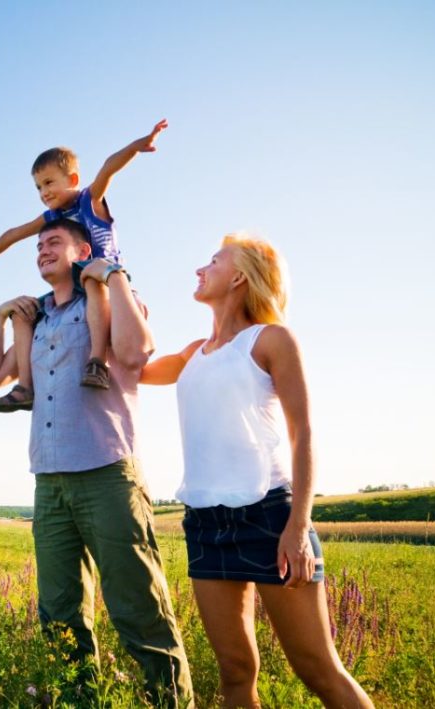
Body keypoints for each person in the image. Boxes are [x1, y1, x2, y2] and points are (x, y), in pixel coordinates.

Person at [131, 234, 374, 708]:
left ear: (239, 276)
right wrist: (121, 299)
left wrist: (298, 527)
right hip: (204, 523)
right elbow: (132, 368)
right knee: (235, 673)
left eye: (214, 261)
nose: (200, 269)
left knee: (319, 670)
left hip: (269, 517)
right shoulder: (192, 353)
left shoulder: (272, 340)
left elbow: (303, 434)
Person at [0, 219, 193, 706]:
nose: (41, 251)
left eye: (53, 242)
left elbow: (137, 353)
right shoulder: (39, 320)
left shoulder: (107, 300)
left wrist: (112, 274)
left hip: (106, 474)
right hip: (49, 484)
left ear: (81, 250)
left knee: (139, 608)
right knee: (59, 615)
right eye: (37, 247)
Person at [0, 120, 168, 412]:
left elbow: (109, 167)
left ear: (72, 180)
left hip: (103, 279)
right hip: (71, 289)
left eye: (49, 183)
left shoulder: (89, 200)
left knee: (90, 279)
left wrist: (137, 146)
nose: (44, 192)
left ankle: (96, 361)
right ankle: (25, 387)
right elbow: (13, 233)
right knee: (24, 313)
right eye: (38, 187)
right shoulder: (51, 217)